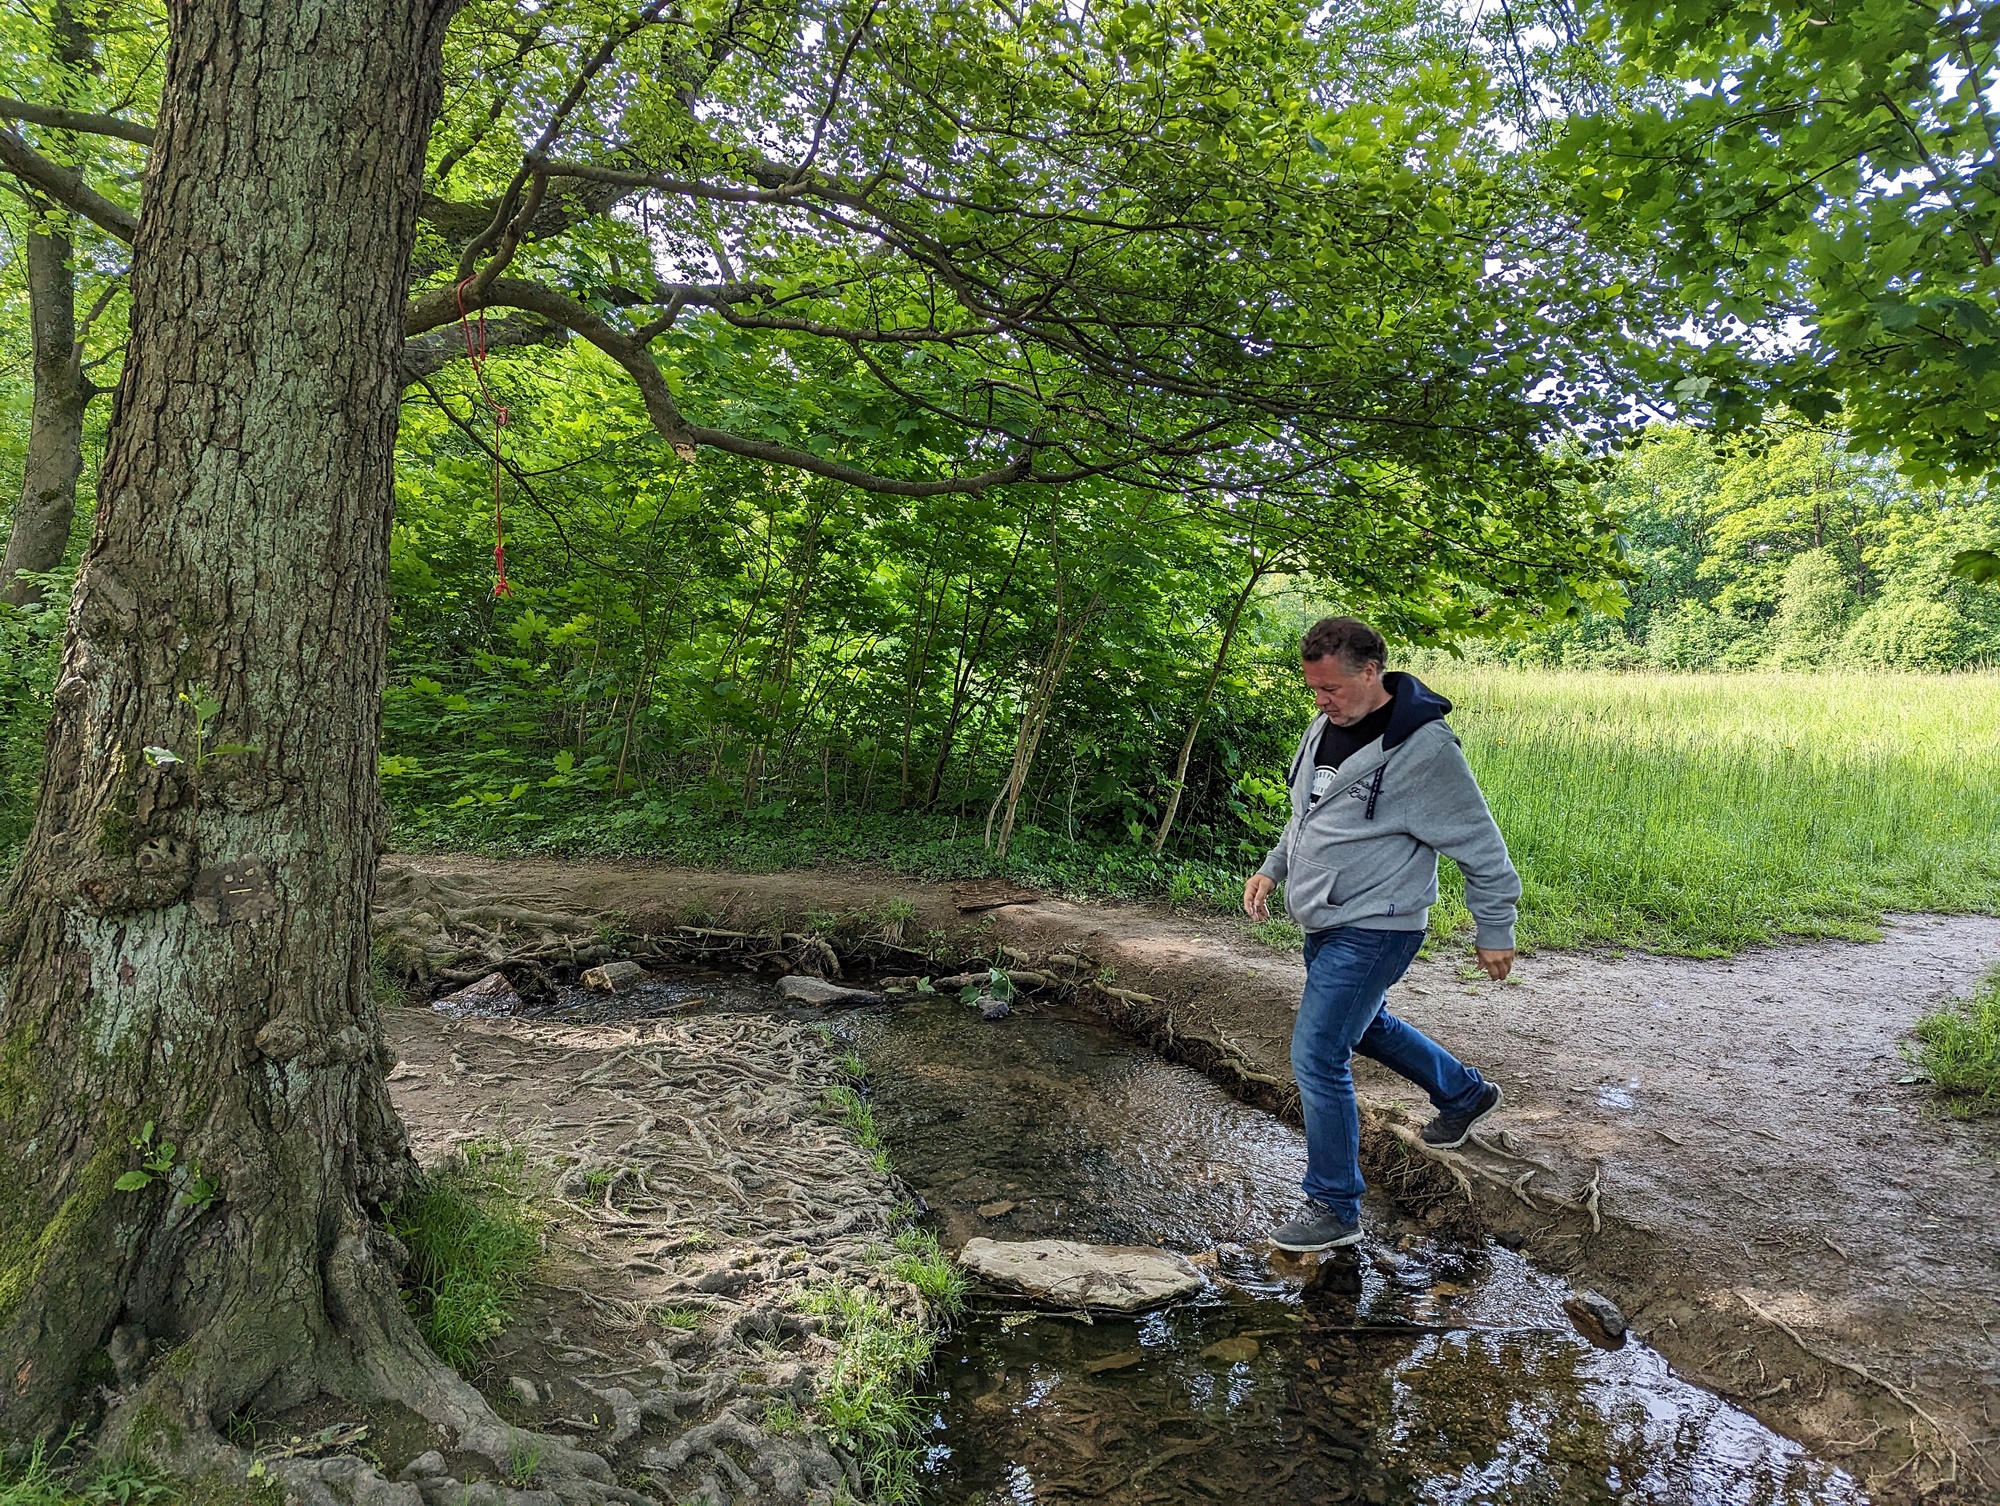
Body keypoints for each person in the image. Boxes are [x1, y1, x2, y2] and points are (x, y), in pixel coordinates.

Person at [1243, 616, 1519, 1252]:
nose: (1321, 701)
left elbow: (1481, 846)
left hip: (1379, 924)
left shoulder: (1425, 752)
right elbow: (1306, 816)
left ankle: (1334, 1205)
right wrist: (1273, 866)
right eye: (1314, 690)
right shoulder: (1324, 728)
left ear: (1372, 672)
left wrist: (1494, 926)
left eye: (1332, 689)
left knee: (1316, 1052)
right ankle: (1464, 1092)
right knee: (1362, 1026)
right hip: (1326, 917)